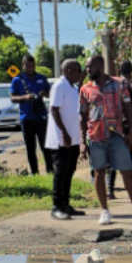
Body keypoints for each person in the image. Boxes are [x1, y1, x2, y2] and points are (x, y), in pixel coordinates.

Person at [79, 55, 132, 226]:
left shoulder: (119, 83)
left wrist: (131, 130)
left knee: (127, 172)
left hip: (116, 136)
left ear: (100, 66)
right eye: (86, 67)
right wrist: (82, 143)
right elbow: (82, 116)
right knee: (99, 173)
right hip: (96, 137)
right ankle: (104, 211)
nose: (87, 70)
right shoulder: (85, 88)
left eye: (90, 66)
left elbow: (129, 108)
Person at [46, 59, 86, 220]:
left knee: (69, 171)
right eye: (78, 70)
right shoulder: (59, 86)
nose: (80, 73)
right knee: (61, 172)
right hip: (61, 139)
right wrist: (64, 133)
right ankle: (56, 206)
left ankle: (65, 204)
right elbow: (54, 110)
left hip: (73, 138)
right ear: (69, 71)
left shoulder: (73, 87)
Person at [106, 61, 132, 200]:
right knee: (129, 157)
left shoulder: (114, 84)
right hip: (128, 126)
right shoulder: (131, 85)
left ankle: (110, 189)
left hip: (115, 126)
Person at [10, 54, 53, 175]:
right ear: (23, 65)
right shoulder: (17, 80)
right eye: (28, 66)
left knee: (46, 146)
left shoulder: (42, 78)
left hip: (41, 117)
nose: (31, 68)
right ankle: (35, 173)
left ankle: (50, 171)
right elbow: (12, 98)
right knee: (30, 147)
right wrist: (24, 97)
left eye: (33, 66)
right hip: (26, 118)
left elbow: (51, 94)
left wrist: (45, 93)